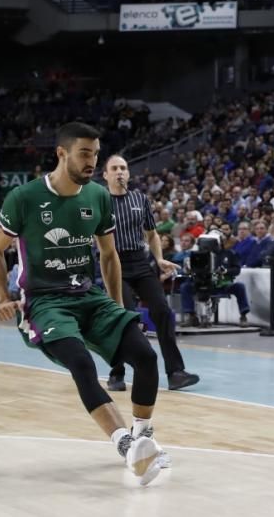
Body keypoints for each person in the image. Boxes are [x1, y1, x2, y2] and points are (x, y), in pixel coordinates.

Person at [0, 123, 164, 485]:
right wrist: (2, 297)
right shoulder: (24, 198)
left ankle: (144, 439)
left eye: (96, 154)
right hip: (45, 303)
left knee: (146, 357)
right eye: (85, 153)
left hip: (89, 296)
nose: (92, 161)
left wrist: (118, 310)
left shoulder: (98, 196)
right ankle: (125, 444)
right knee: (81, 362)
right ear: (61, 154)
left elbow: (109, 256)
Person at [102, 154, 199, 393]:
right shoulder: (99, 201)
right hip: (113, 263)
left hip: (140, 262)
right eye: (114, 168)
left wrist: (159, 259)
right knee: (124, 316)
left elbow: (152, 234)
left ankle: (175, 372)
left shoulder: (140, 199)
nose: (120, 172)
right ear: (105, 175)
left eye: (123, 168)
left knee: (163, 311)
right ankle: (117, 372)